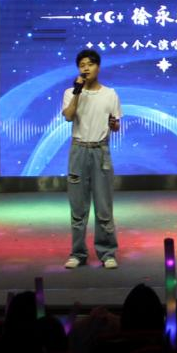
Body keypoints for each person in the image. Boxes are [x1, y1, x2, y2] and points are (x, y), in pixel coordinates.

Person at [62, 49, 122, 269]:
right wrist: (78, 92)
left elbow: (116, 125)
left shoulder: (110, 94)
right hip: (79, 150)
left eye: (90, 64)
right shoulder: (70, 92)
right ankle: (78, 253)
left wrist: (114, 125)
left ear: (98, 67)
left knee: (104, 207)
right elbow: (69, 116)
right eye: (82, 65)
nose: (86, 68)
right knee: (78, 208)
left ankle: (107, 253)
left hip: (100, 150)